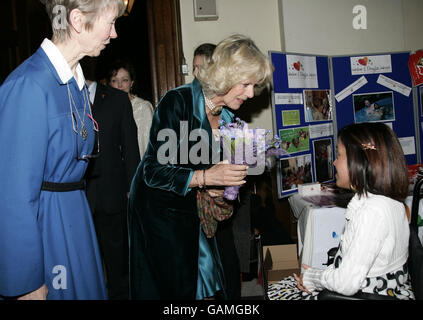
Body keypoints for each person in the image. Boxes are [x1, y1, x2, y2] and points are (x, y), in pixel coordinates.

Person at [128, 34, 273, 300]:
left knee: (211, 279)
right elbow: (153, 170)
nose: (251, 93)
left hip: (193, 208)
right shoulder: (177, 102)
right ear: (226, 77)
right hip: (159, 210)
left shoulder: (228, 115)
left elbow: (215, 170)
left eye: (254, 85)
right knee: (175, 283)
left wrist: (220, 186)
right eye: (246, 84)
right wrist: (206, 177)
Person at [0, 0, 125, 300]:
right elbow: (12, 196)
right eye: (110, 23)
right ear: (78, 20)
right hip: (47, 228)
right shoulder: (28, 85)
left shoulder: (74, 83)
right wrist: (26, 282)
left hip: (75, 218)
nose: (114, 33)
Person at [294, 122, 414, 300]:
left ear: (359, 160)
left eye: (339, 155)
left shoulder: (372, 212)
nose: (334, 162)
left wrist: (313, 277)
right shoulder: (387, 203)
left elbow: (346, 283)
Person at [81, 57, 140, 300]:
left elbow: (130, 147)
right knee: (81, 263)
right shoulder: (61, 96)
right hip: (74, 195)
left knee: (117, 263)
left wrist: (132, 188)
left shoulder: (116, 99)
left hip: (111, 193)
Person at [107, 59, 154, 158]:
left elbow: (149, 145)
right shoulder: (105, 109)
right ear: (110, 84)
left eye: (125, 80)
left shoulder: (143, 107)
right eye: (114, 80)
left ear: (131, 82)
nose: (120, 85)